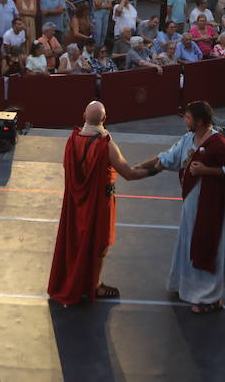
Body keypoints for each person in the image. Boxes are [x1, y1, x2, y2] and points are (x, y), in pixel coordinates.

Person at [137, 101, 225, 314]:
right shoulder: (189, 139)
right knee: (191, 242)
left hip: (212, 207)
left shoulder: (218, 143)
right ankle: (188, 287)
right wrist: (139, 167)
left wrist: (207, 170)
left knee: (209, 245)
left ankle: (211, 297)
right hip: (192, 205)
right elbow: (168, 157)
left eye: (187, 117)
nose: (184, 120)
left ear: (199, 121)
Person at [47, 101, 152, 306]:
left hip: (76, 201)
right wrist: (156, 168)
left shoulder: (72, 140)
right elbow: (129, 173)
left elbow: (69, 168)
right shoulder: (106, 145)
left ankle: (76, 281)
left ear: (84, 115)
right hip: (99, 201)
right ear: (104, 119)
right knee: (100, 243)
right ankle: (95, 284)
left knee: (74, 240)